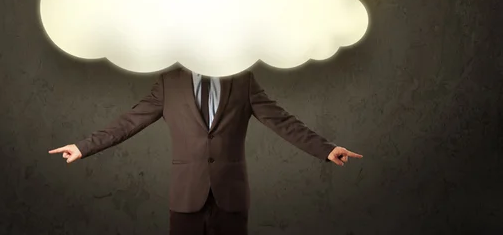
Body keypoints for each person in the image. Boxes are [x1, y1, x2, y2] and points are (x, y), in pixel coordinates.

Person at [49, 67, 363, 234]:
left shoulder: (243, 80)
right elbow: (128, 122)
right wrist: (82, 147)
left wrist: (327, 149)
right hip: (186, 200)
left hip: (231, 200)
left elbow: (283, 121)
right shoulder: (168, 82)